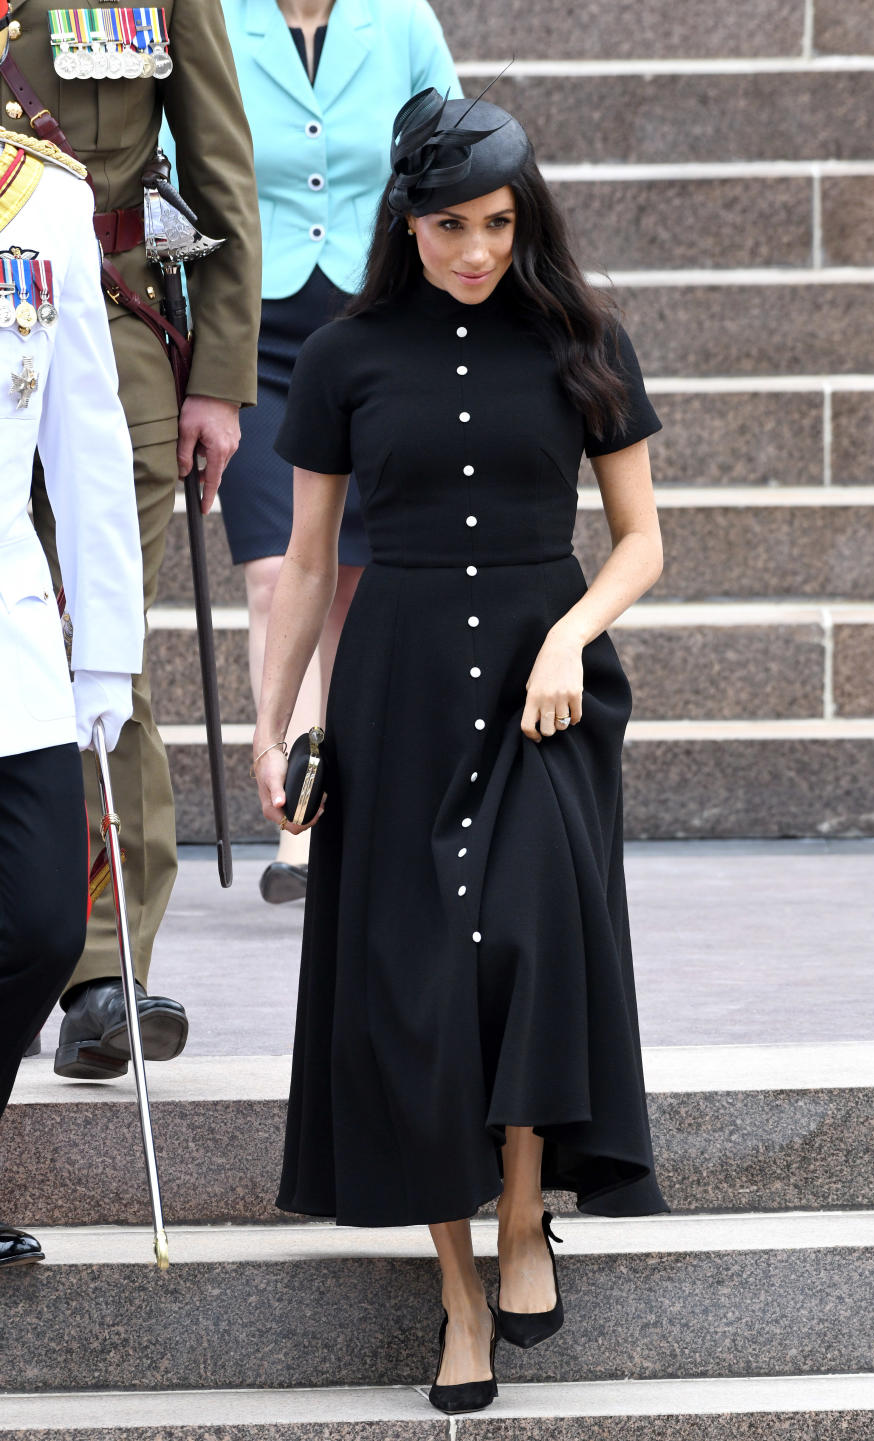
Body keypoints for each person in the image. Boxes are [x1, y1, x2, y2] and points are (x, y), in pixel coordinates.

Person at [252, 89, 668, 1414]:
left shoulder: (587, 340)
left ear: (522, 216)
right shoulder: (343, 356)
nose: (476, 250)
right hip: (401, 691)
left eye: (495, 222)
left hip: (549, 690)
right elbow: (311, 562)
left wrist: (572, 633)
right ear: (407, 225)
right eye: (449, 227)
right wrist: (276, 725)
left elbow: (645, 541)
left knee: (535, 933)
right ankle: (455, 1290)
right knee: (418, 979)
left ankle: (527, 1211)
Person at [0, 0, 261, 1078]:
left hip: (112, 321)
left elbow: (217, 159)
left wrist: (222, 379)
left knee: (106, 649)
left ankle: (104, 966)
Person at [218, 0, 460, 904]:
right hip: (253, 332)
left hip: (377, 325)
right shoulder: (216, 17)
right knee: (279, 572)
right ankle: (299, 817)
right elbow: (176, 157)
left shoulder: (398, 19)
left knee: (355, 581)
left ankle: (363, 802)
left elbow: (456, 153)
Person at [0, 108, 144, 1263]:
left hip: (10, 628)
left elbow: (87, 437)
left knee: (46, 923)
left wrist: (107, 647)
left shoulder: (41, 195)